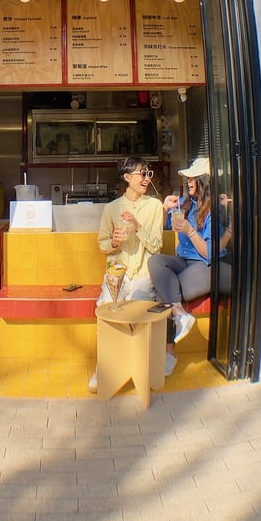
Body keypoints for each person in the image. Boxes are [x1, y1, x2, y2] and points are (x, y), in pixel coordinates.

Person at [88, 156, 166, 392]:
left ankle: (142, 369)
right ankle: (106, 369)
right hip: (117, 273)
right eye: (141, 174)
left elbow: (156, 246)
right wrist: (114, 241)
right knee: (107, 312)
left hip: (143, 272)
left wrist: (137, 226)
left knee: (141, 317)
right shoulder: (111, 208)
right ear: (127, 177)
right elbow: (102, 245)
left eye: (148, 174)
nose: (146, 178)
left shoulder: (154, 206)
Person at [148, 157, 232, 366]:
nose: (188, 181)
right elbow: (166, 227)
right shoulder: (187, 204)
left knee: (162, 293)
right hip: (183, 260)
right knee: (156, 261)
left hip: (205, 265)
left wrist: (189, 230)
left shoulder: (214, 210)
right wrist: (165, 209)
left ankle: (169, 352)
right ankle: (179, 313)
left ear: (204, 181)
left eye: (192, 178)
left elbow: (209, 253)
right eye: (188, 178)